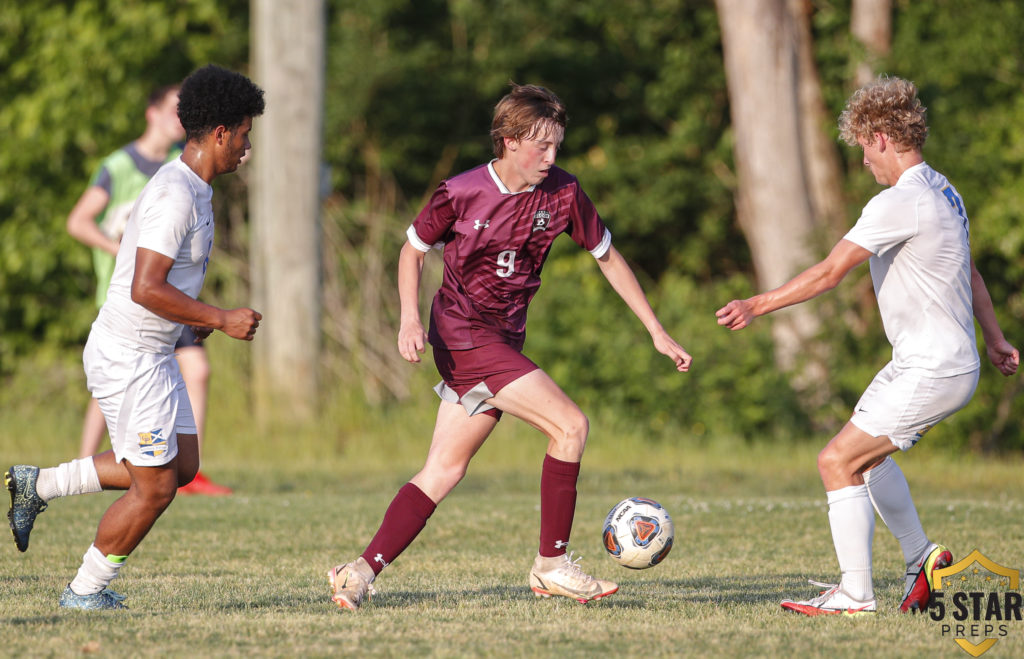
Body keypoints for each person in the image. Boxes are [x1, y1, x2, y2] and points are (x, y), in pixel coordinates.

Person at [327, 83, 692, 610]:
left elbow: (608, 257)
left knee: (444, 470)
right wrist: (409, 318)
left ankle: (357, 573)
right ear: (509, 141)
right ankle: (552, 564)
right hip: (463, 335)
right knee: (570, 426)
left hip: (500, 339)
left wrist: (656, 330)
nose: (552, 156)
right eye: (542, 145)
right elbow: (412, 251)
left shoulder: (564, 193)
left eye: (557, 145)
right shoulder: (460, 191)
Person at [715, 76, 1019, 616]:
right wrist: (994, 339)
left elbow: (830, 272)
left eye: (862, 149)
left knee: (836, 460)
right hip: (934, 362)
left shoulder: (898, 201)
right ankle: (922, 559)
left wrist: (755, 305)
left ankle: (855, 595)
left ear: (880, 137)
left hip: (933, 366)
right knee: (868, 462)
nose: (863, 164)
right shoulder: (943, 188)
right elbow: (969, 272)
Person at [5, 64, 265, 610]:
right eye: (244, 133)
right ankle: (83, 591)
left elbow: (160, 283)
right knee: (157, 487)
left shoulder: (197, 188)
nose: (247, 146)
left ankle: (39, 484)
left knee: (184, 465)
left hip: (155, 352)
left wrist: (190, 319)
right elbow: (146, 287)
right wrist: (219, 318)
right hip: (129, 358)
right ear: (219, 133)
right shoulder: (175, 195)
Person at [66, 85, 230, 496]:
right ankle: (77, 470)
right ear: (151, 113)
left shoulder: (184, 171)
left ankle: (182, 465)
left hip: (171, 308)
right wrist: (120, 247)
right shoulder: (122, 166)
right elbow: (79, 221)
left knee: (194, 373)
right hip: (135, 301)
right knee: (119, 401)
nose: (181, 118)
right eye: (173, 110)